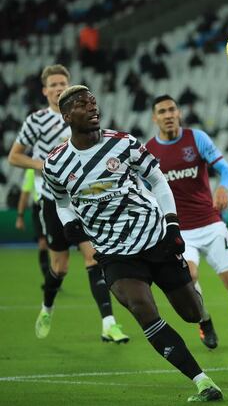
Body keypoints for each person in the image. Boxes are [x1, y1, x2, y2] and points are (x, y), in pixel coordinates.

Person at [41, 85, 222, 401]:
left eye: (94, 102)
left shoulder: (123, 144)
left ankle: (205, 317)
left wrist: (172, 224)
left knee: (190, 312)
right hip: (113, 252)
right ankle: (202, 380)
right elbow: (61, 201)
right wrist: (70, 225)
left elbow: (157, 181)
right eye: (84, 105)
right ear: (67, 115)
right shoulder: (56, 162)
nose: (93, 108)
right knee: (142, 309)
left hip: (155, 238)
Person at [7, 64, 127, 343]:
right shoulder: (36, 121)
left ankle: (109, 324)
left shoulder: (82, 114)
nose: (59, 87)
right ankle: (47, 307)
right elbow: (14, 157)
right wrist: (46, 165)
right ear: (45, 90)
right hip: (52, 199)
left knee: (93, 256)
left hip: (84, 199)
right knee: (60, 266)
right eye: (54, 84)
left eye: (63, 82)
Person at [147, 95, 228, 356]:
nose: (168, 114)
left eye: (172, 109)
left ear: (179, 113)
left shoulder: (196, 139)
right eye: (162, 111)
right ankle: (204, 320)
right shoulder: (149, 150)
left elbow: (227, 171)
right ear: (155, 118)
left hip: (210, 223)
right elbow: (145, 189)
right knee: (190, 276)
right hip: (178, 229)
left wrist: (222, 187)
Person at [16, 168, 49, 281]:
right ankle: (48, 278)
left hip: (54, 207)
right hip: (39, 207)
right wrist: (20, 216)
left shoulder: (52, 164)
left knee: (56, 245)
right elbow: (24, 194)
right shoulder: (31, 171)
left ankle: (56, 274)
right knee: (43, 243)